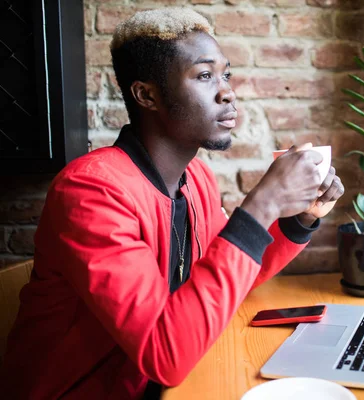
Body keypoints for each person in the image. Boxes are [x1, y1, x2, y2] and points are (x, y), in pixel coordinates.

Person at [0, 7, 344, 399]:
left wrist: (298, 220)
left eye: (226, 74)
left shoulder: (196, 180)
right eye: (204, 75)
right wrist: (262, 204)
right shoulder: (91, 191)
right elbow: (164, 355)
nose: (227, 91)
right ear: (147, 95)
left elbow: (226, 282)